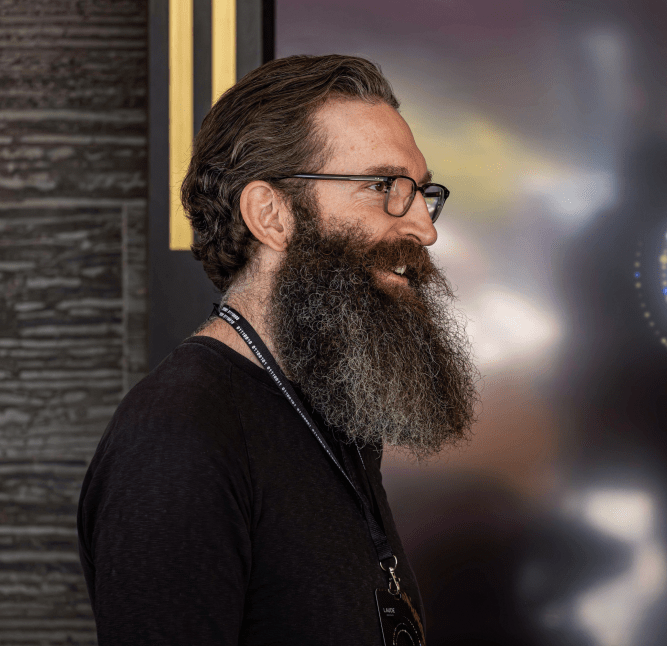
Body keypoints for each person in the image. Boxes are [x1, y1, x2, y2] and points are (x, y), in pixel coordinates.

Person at [76, 54, 480, 645]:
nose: (424, 225)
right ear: (271, 214)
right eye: (382, 187)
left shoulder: (331, 406)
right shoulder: (178, 437)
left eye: (421, 191)